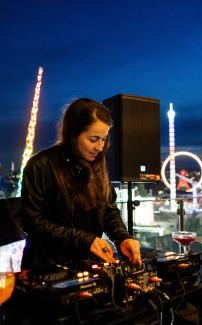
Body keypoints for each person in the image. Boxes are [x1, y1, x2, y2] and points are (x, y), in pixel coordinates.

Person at [21, 98, 141, 271]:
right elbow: (32, 223)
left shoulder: (97, 163)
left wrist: (122, 237)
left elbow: (107, 209)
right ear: (72, 134)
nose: (100, 147)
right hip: (46, 268)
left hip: (89, 265)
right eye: (93, 139)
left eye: (104, 139)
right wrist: (85, 240)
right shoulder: (39, 165)